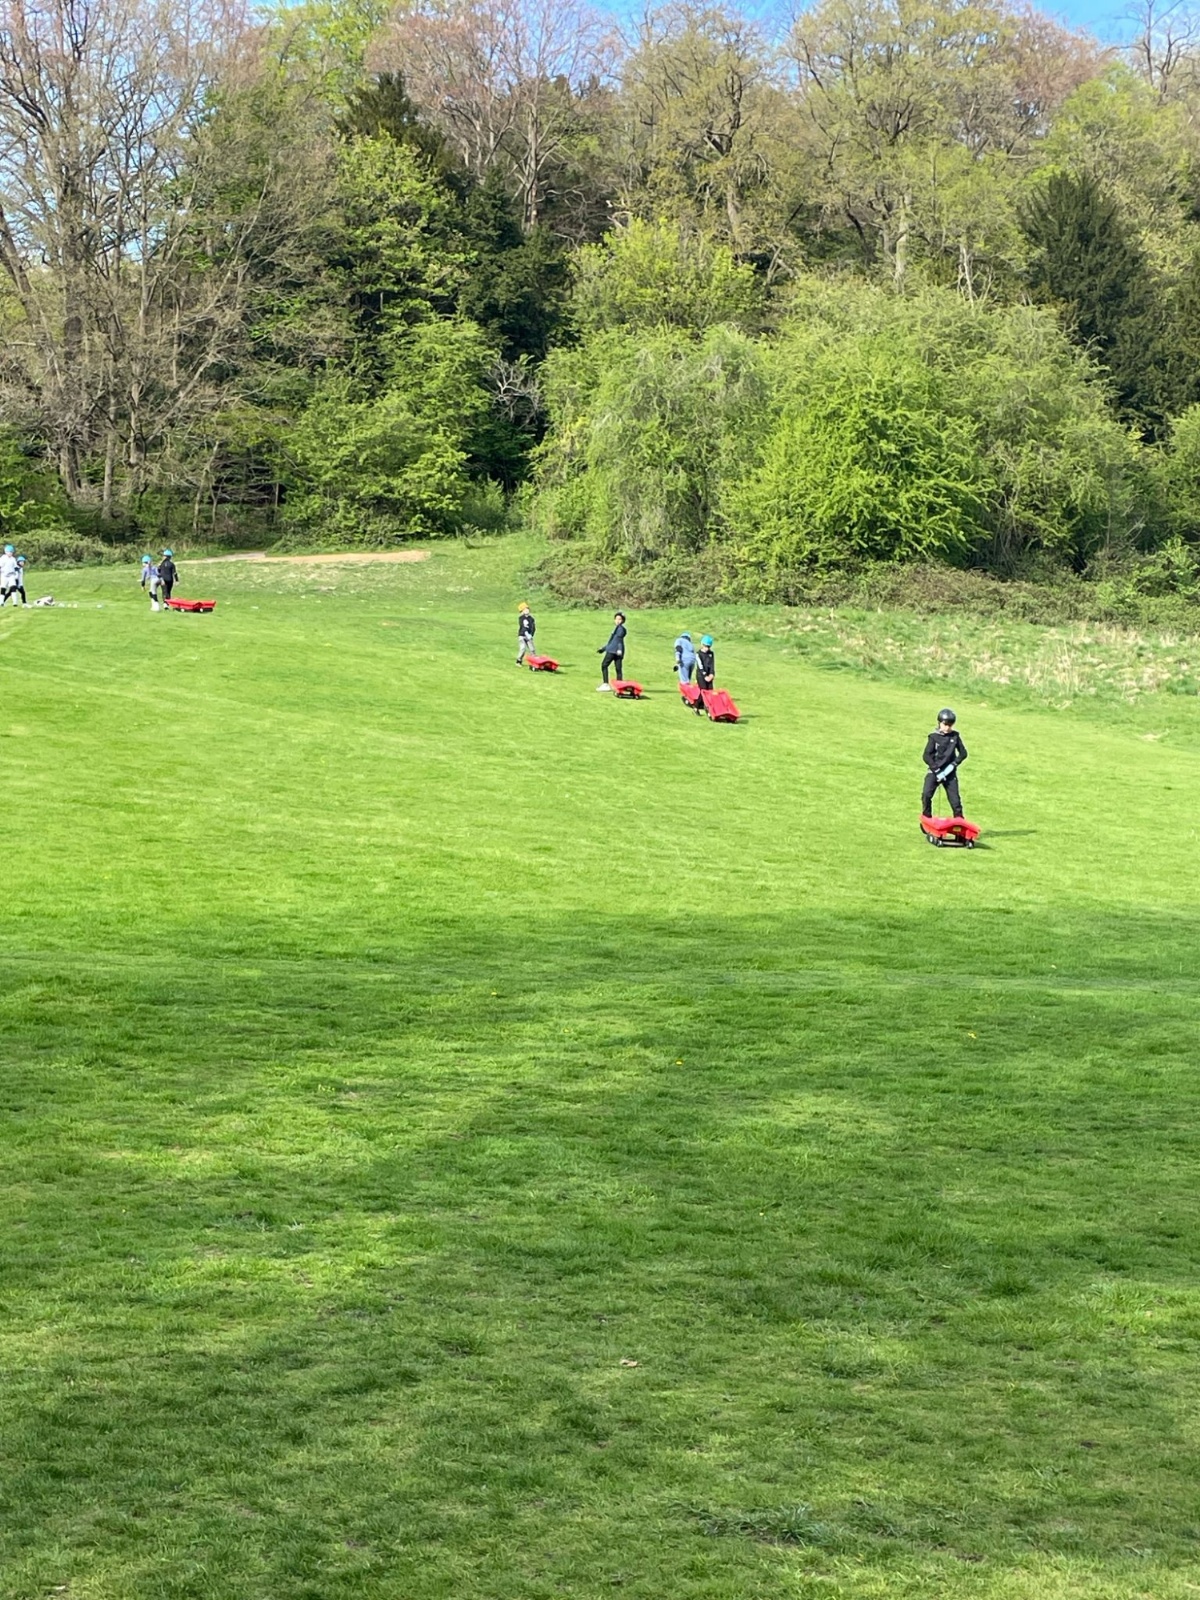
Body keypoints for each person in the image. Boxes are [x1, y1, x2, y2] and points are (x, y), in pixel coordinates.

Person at [922, 708, 968, 819]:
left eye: (950, 725)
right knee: (926, 795)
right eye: (945, 725)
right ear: (939, 723)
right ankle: (927, 818)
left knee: (955, 801)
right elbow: (926, 756)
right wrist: (936, 770)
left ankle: (959, 822)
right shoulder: (933, 737)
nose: (947, 728)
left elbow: (963, 753)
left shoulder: (955, 736)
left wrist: (953, 765)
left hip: (949, 773)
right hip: (935, 771)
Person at [597, 611, 627, 690]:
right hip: (616, 650)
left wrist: (619, 649)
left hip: (613, 651)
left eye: (619, 619)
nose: (617, 621)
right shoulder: (617, 629)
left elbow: (619, 640)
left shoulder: (621, 629)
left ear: (623, 621)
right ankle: (620, 685)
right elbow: (612, 641)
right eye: (616, 619)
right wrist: (603, 649)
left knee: (604, 665)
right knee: (618, 668)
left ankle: (606, 684)